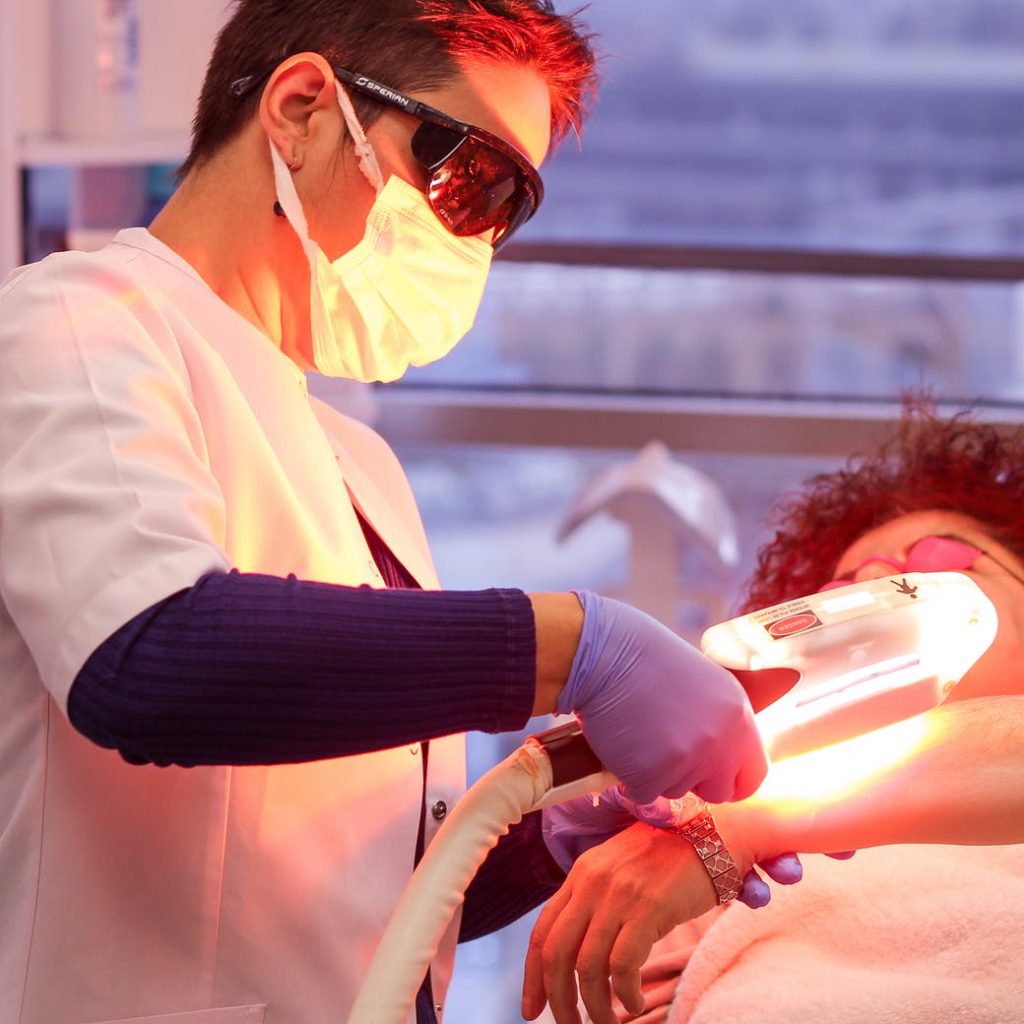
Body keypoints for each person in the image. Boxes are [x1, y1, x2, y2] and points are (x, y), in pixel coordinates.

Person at [0, 3, 770, 1024]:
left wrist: (550, 833)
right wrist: (577, 641)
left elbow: (364, 895)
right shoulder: (77, 322)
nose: (476, 239)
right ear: (302, 108)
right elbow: (149, 655)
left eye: (508, 206)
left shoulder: (353, 463)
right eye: (466, 176)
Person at [524, 404, 1024, 1024]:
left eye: (933, 559)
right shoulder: (697, 859)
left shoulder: (744, 833)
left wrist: (748, 826)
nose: (876, 575)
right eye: (843, 589)